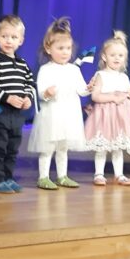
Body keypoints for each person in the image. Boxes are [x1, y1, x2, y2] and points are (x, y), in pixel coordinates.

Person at [27, 17, 90, 190]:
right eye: (60, 48)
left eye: (68, 48)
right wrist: (47, 93)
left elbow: (82, 90)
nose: (65, 52)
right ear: (49, 48)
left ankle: (62, 176)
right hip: (52, 115)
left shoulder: (74, 69)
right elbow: (40, 92)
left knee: (63, 147)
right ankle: (43, 177)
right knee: (48, 147)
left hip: (69, 115)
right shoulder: (46, 69)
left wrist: (90, 88)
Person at [83, 30, 130, 186]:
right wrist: (112, 97)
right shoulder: (101, 75)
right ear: (104, 57)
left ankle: (119, 174)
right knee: (102, 147)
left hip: (121, 116)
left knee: (118, 147)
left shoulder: (123, 76)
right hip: (105, 115)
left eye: (121, 55)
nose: (117, 58)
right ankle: (99, 174)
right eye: (113, 55)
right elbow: (95, 96)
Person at [0, 14, 35, 194]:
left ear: (21, 40)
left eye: (13, 37)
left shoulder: (22, 64)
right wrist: (7, 97)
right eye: (4, 36)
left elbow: (30, 83)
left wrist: (28, 97)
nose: (9, 41)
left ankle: (8, 178)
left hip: (16, 115)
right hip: (0, 112)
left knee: (13, 148)